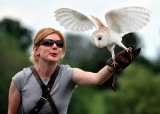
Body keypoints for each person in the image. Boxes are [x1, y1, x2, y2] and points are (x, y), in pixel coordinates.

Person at [8, 27, 140, 114]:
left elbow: (97, 78)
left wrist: (114, 65)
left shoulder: (67, 74)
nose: (55, 46)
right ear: (36, 50)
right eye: (49, 43)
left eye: (59, 44)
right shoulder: (20, 79)